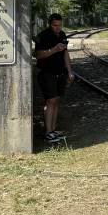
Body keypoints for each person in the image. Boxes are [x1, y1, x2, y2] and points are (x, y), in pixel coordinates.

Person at [34, 13, 74, 144]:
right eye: (55, 25)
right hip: (46, 73)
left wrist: (70, 71)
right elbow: (38, 55)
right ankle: (48, 132)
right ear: (50, 24)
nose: (58, 28)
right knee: (50, 101)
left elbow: (65, 54)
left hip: (59, 73)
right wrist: (54, 49)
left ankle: (53, 129)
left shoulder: (62, 35)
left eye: (60, 25)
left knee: (56, 100)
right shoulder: (42, 36)